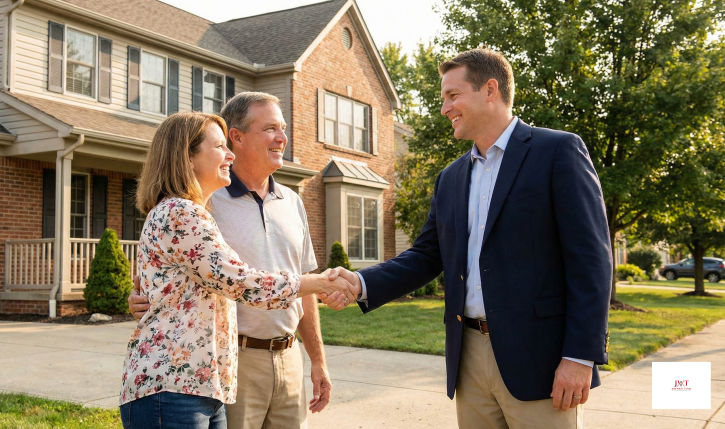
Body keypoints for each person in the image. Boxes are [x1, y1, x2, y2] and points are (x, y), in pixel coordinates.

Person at [325, 48, 612, 428]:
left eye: (452, 95)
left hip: (539, 359)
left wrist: (579, 356)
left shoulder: (557, 150)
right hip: (468, 357)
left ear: (490, 90)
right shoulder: (451, 177)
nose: (444, 108)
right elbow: (427, 255)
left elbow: (592, 259)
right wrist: (361, 282)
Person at [129, 93, 353, 429]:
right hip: (205, 371)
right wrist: (322, 282)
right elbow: (241, 282)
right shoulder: (194, 206)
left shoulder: (290, 201)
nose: (282, 137)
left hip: (228, 370)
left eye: (283, 127)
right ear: (237, 136)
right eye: (270, 128)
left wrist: (317, 360)